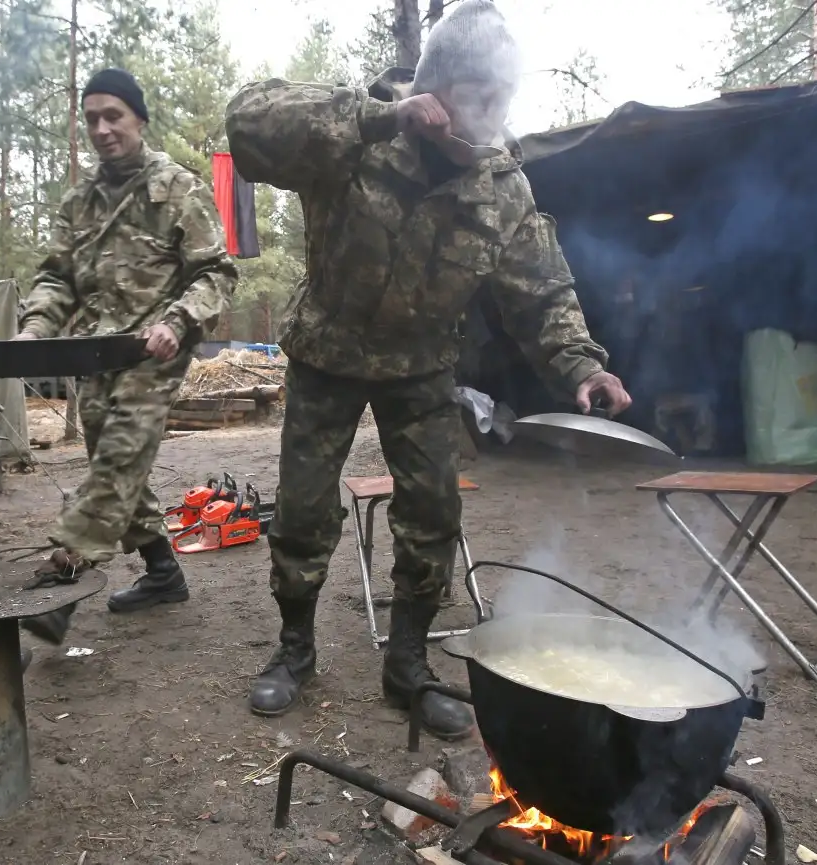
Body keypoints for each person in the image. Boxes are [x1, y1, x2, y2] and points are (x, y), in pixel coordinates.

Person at [224, 0, 632, 741]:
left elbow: (540, 288)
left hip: (420, 366)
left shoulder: (502, 186)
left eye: (503, 97)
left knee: (434, 514)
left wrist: (581, 363)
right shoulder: (360, 132)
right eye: (480, 95)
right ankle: (295, 650)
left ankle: (407, 665)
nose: (493, 115)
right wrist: (382, 118)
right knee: (306, 508)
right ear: (437, 88)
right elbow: (249, 122)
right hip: (330, 353)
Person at [15, 68, 238, 646]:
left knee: (118, 457)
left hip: (154, 351)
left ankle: (61, 578)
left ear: (139, 118)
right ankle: (164, 574)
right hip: (95, 353)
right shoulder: (79, 202)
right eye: (91, 118)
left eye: (113, 115)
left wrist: (178, 321)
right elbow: (55, 277)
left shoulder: (176, 187)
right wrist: (35, 329)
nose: (102, 128)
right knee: (120, 469)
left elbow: (216, 271)